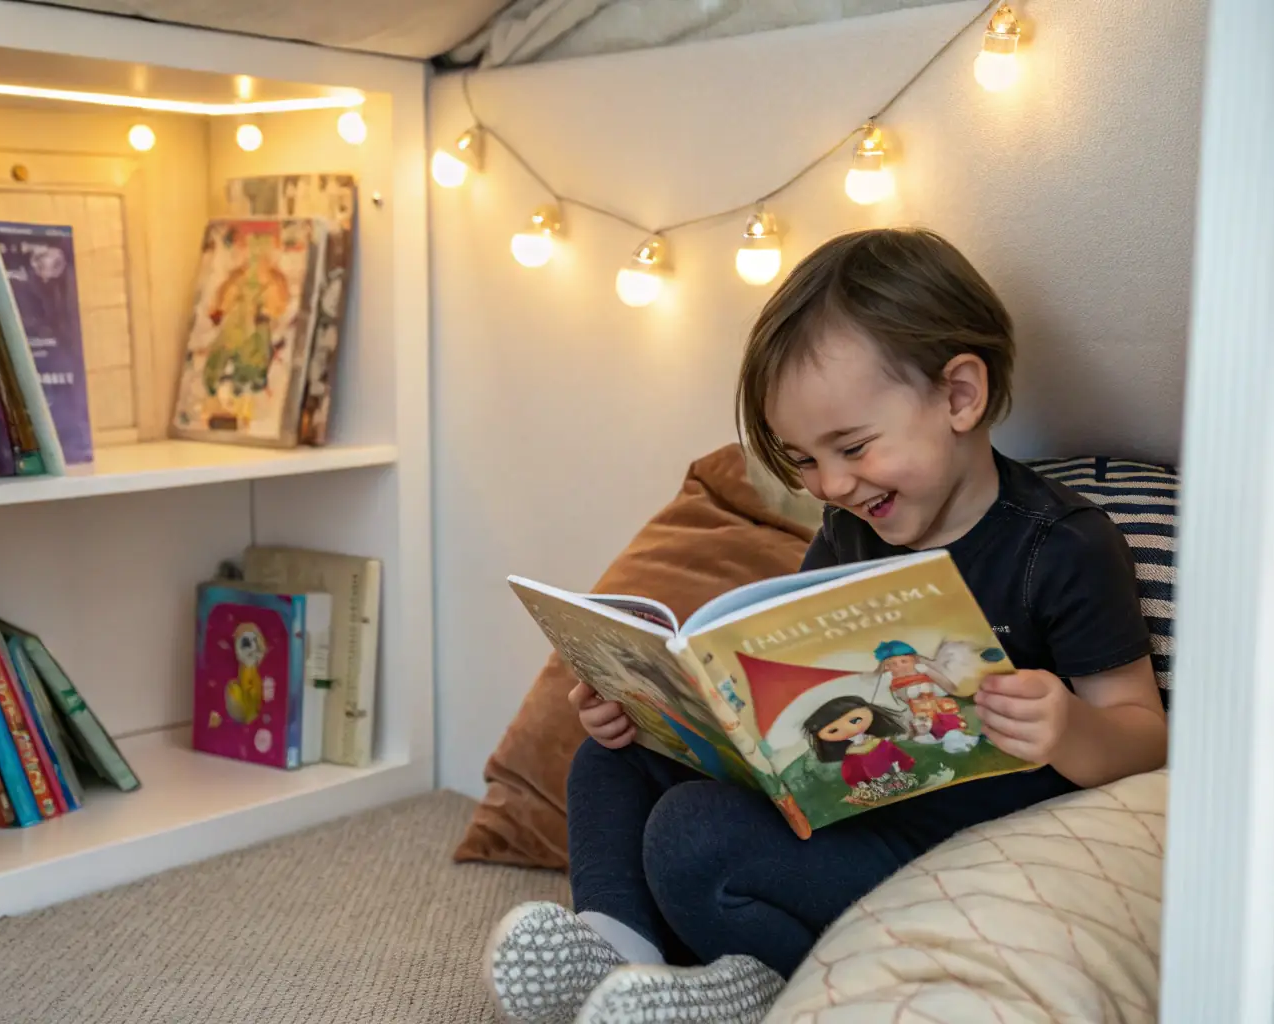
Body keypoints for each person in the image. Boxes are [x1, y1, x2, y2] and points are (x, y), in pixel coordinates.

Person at [483, 227, 1169, 1024]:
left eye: (850, 447)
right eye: (803, 460)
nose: (832, 484)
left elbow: (1145, 737)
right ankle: (613, 954)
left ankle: (751, 989)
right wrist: (661, 711)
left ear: (958, 397)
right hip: (834, 801)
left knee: (695, 836)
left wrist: (1067, 727)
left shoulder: (1060, 545)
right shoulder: (848, 531)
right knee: (609, 760)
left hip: (927, 849)